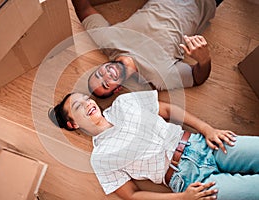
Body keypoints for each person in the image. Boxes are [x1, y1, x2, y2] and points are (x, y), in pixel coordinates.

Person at [49, 90, 259, 200]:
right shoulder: (100, 158)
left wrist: (207, 129)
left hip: (202, 144)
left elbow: (167, 110)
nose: (88, 103)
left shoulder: (123, 103)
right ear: (73, 123)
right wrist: (182, 198)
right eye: (79, 106)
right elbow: (131, 195)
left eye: (86, 98)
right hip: (189, 180)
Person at [71, 0, 220, 98]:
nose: (106, 75)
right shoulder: (159, 77)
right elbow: (197, 78)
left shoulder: (107, 41)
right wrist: (204, 59)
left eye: (99, 75)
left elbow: (83, 8)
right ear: (117, 89)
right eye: (105, 84)